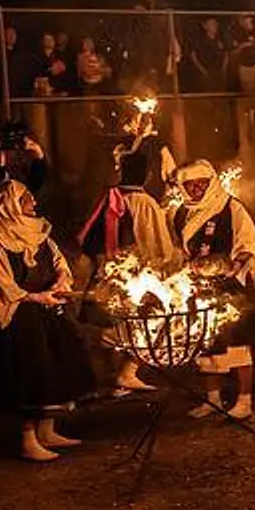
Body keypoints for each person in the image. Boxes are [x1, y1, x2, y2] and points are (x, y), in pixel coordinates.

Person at [0, 181, 94, 461]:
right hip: (21, 316)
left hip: (48, 309)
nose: (34, 204)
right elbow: (0, 283)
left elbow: (58, 263)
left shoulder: (39, 232)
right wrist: (37, 297)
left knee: (57, 366)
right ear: (11, 206)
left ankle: (47, 430)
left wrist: (60, 282)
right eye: (28, 200)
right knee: (31, 372)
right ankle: (28, 439)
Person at [76, 146, 179, 396]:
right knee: (145, 325)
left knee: (112, 323)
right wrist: (167, 268)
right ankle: (126, 373)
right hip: (134, 275)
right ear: (147, 174)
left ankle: (114, 377)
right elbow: (157, 244)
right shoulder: (143, 202)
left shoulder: (107, 198)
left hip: (105, 273)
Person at [172, 160, 255, 421]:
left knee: (238, 345)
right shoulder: (181, 213)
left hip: (231, 286)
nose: (197, 189)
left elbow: (247, 241)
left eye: (202, 183)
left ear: (212, 182)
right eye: (190, 185)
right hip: (199, 287)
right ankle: (212, 399)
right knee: (206, 345)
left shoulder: (231, 207)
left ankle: (244, 401)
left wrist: (234, 265)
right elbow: (180, 248)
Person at [0, 121, 49, 223]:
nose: (14, 148)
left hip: (21, 221)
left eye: (18, 143)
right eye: (9, 143)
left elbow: (35, 186)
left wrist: (39, 155)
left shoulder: (24, 164)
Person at [230, 14, 255, 93]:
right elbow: (234, 50)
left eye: (249, 21)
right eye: (245, 21)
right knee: (248, 94)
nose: (247, 23)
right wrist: (245, 45)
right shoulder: (237, 32)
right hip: (246, 67)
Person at [30, 33, 70, 98]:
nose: (50, 42)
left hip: (58, 90)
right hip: (42, 91)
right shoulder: (36, 57)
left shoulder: (60, 55)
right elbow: (37, 72)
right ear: (42, 42)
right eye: (47, 39)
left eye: (51, 39)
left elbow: (64, 71)